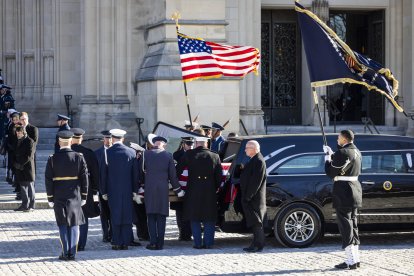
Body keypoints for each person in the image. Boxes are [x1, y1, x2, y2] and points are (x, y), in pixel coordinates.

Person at [45, 130, 88, 261]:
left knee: (62, 224)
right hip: (74, 195)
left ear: (59, 142)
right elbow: (84, 178)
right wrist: (84, 195)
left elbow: (48, 179)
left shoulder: (52, 158)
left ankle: (65, 252)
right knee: (74, 224)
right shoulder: (79, 156)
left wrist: (50, 197)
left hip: (58, 195)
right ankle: (72, 253)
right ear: (70, 141)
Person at [323, 130, 362, 270]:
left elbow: (331, 172)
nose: (337, 139)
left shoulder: (343, 153)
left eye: (339, 137)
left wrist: (327, 158)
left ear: (344, 139)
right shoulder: (357, 151)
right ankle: (355, 259)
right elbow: (345, 164)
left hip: (344, 192)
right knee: (353, 226)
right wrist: (333, 153)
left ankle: (351, 261)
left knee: (346, 227)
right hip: (355, 190)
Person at [139, 135, 184, 250]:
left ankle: (153, 242)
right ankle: (160, 243)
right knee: (161, 216)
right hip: (163, 190)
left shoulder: (145, 154)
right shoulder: (168, 155)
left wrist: (140, 187)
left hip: (149, 189)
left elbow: (141, 172)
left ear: (153, 143)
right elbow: (173, 176)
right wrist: (178, 190)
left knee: (151, 216)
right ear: (164, 144)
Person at [176, 136, 222, 249]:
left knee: (194, 217)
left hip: (193, 190)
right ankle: (209, 243)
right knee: (209, 217)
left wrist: (179, 186)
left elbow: (178, 171)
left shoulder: (189, 154)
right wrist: (214, 187)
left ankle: (197, 243)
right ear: (206, 144)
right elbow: (219, 176)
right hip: (209, 191)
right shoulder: (215, 156)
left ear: (196, 143)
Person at [101, 129, 139, 250]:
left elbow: (104, 174)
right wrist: (135, 190)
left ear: (112, 138)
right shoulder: (131, 152)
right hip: (127, 189)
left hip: (112, 190)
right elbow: (135, 174)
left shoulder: (107, 152)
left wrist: (104, 191)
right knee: (127, 214)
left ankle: (117, 241)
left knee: (115, 214)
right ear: (123, 139)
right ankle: (126, 241)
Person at [70, 128, 100, 251]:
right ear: (81, 138)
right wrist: (95, 190)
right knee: (84, 216)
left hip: (69, 190)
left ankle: (71, 242)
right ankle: (81, 244)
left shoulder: (64, 153)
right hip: (85, 190)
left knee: (70, 217)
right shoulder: (88, 152)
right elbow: (96, 174)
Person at [240, 140, 267, 253]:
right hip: (251, 197)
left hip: (254, 198)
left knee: (256, 222)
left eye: (247, 148)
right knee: (254, 222)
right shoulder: (254, 159)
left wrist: (248, 197)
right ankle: (255, 243)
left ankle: (258, 245)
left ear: (254, 149)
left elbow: (256, 182)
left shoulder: (259, 161)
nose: (245, 150)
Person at [171, 137, 194, 241]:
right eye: (188, 144)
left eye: (192, 143)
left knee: (191, 210)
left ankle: (189, 233)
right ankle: (182, 232)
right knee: (180, 212)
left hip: (192, 186)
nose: (190, 145)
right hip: (180, 186)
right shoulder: (177, 154)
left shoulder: (195, 153)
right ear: (183, 144)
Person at [94, 130, 112, 243]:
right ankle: (106, 234)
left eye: (110, 138)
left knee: (113, 213)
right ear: (103, 139)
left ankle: (113, 233)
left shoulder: (116, 151)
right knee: (104, 213)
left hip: (114, 189)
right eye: (106, 138)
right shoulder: (97, 153)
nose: (108, 140)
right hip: (102, 188)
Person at [129, 142, 149, 242]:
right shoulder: (136, 160)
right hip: (136, 190)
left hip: (140, 190)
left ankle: (143, 234)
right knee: (139, 214)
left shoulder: (139, 160)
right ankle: (142, 233)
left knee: (142, 214)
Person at [12, 126, 35, 212]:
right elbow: (14, 153)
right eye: (17, 133)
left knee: (30, 186)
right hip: (19, 168)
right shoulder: (16, 141)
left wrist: (20, 164)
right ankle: (24, 205)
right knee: (22, 187)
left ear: (24, 132)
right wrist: (15, 164)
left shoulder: (30, 141)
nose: (18, 134)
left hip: (27, 168)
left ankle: (32, 206)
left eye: (19, 132)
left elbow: (29, 155)